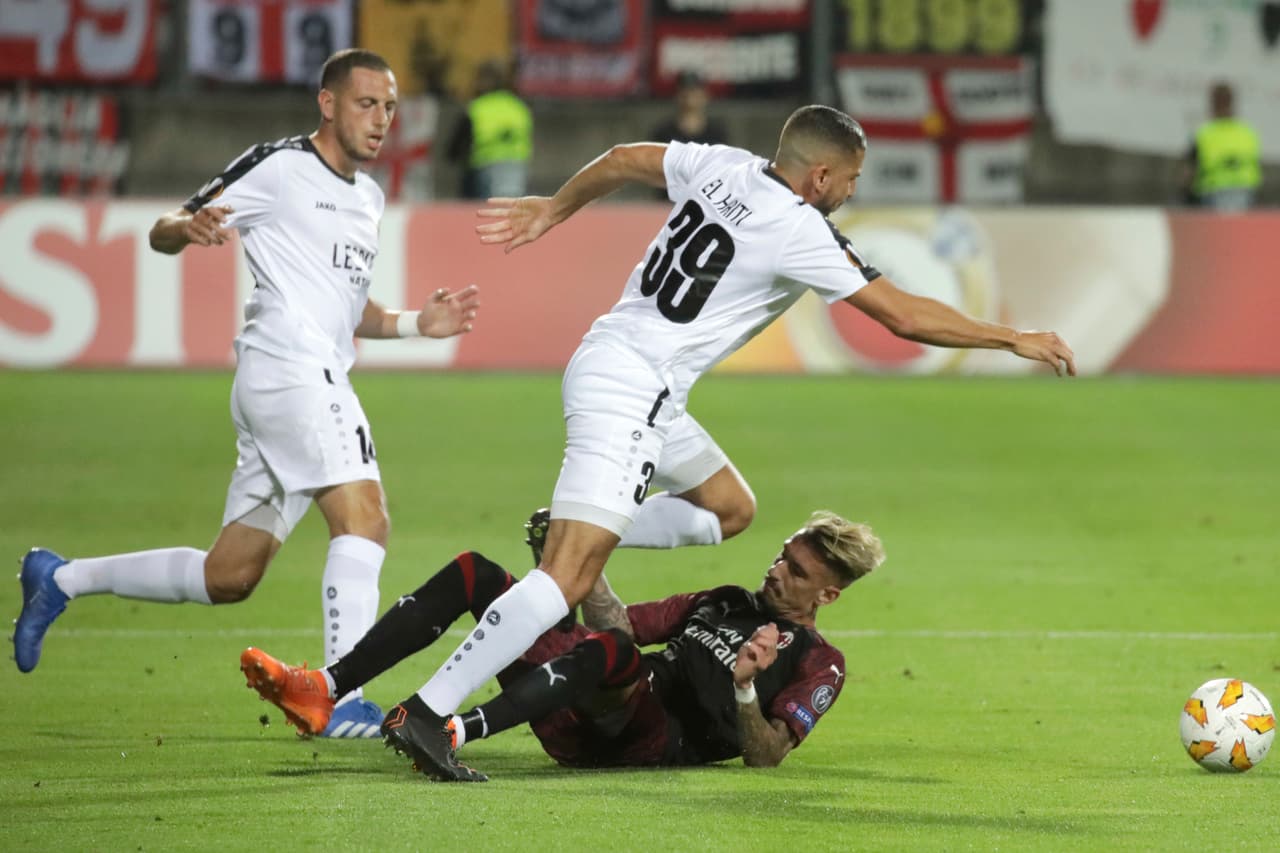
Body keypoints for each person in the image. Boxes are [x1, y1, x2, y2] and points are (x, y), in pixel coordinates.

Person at [369, 103, 1077, 772]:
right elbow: (903, 316)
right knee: (567, 578)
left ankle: (580, 526)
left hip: (621, 366)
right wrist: (1011, 335)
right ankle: (430, 712)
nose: (852, 192)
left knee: (728, 508)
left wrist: (555, 208)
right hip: (635, 387)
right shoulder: (801, 229)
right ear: (821, 176)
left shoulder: (723, 165)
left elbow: (621, 159)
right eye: (851, 180)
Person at [12, 49, 480, 739]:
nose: (380, 121)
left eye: (388, 108)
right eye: (365, 104)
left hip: (305, 375)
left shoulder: (369, 199)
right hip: (288, 368)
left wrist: (417, 323)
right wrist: (189, 228)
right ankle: (339, 693)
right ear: (327, 103)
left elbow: (347, 309)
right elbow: (164, 226)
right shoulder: (283, 166)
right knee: (366, 517)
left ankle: (61, 578)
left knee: (229, 573)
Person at [241, 510, 884, 780]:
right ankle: (325, 688)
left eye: (795, 571)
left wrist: (745, 683)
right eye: (781, 555)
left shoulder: (817, 662)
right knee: (479, 575)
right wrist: (576, 563)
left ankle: (452, 732)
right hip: (589, 692)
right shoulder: (725, 599)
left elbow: (766, 757)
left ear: (827, 595)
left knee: (616, 658)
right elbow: (618, 625)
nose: (775, 570)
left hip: (643, 738)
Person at [446, 59, 533, 200]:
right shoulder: (520, 108)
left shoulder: (476, 109)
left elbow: (453, 152)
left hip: (482, 175)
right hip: (517, 172)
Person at [1182, 82, 1262, 211]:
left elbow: (1188, 173)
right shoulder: (1248, 132)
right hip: (1246, 194)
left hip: (1212, 193)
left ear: (1213, 103)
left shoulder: (1204, 133)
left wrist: (1186, 198)